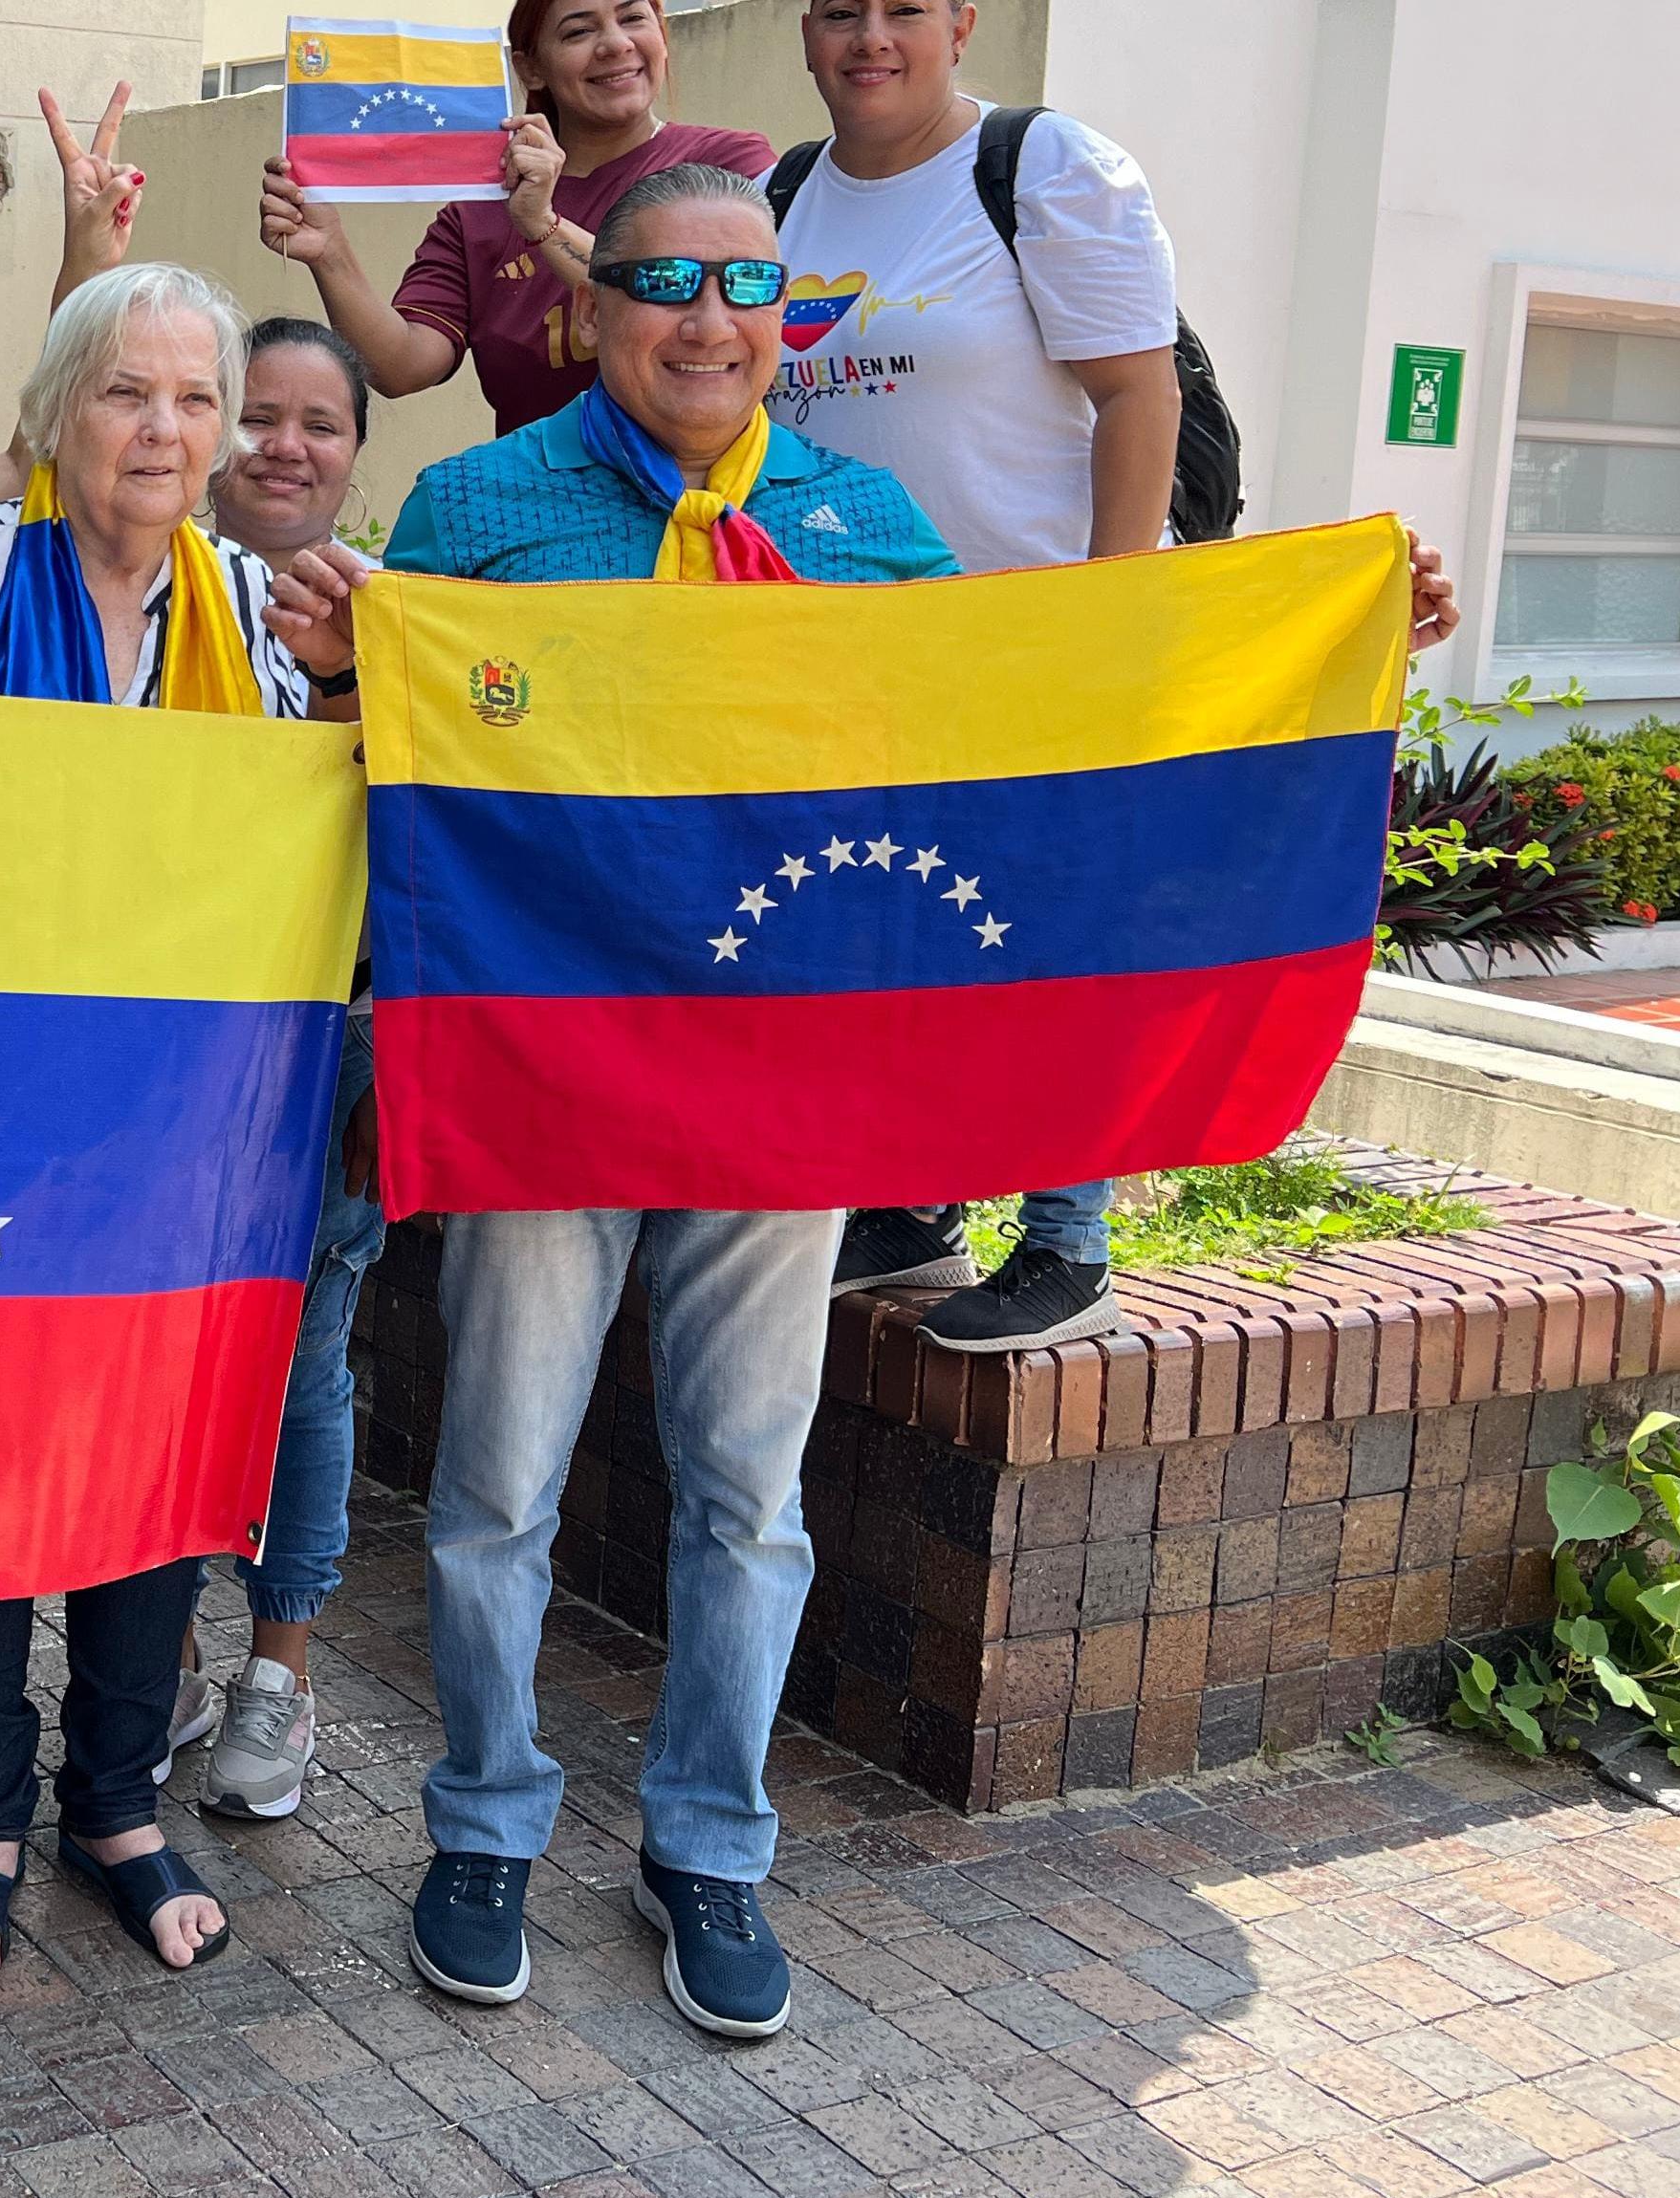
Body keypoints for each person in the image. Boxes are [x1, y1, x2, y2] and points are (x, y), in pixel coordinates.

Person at [384, 164, 960, 2043]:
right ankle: (482, 1824)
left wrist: (1356, 641)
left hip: (772, 1086)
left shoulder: (866, 528)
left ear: (788, 316)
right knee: (493, 1485)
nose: (709, 321)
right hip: (547, 1072)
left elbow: (1013, 733)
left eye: (747, 286)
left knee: (746, 1497)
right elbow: (397, 763)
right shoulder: (476, 508)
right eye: (665, 284)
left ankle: (709, 1845)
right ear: (589, 307)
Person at [0, 261, 365, 1985]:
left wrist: (360, 687)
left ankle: (113, 1803)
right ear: (54, 415)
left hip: (189, 1131)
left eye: (191, 399)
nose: (161, 429)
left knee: (155, 1469)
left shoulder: (255, 599)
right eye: (123, 393)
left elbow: (332, 841)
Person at [771, 0, 1165, 1353]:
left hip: (1027, 638)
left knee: (1039, 941)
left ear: (959, 24)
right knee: (896, 925)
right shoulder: (784, 195)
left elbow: (1138, 391)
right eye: (838, 13)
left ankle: (1069, 1235)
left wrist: (1102, 618)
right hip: (857, 656)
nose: (869, 38)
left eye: (901, 11)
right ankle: (913, 1199)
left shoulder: (1039, 166)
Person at [181, 316, 390, 1825]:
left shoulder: (404, 618)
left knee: (303, 1369)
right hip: (167, 1055)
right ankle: (160, 1661)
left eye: (320, 422)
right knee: (155, 1358)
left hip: (331, 1053)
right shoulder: (149, 586)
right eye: (255, 413)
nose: (283, 444)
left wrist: (341, 685)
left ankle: (280, 1675)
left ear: (357, 457)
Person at [253, 0, 771, 432]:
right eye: (580, 30)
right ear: (531, 69)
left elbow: (701, 305)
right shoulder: (476, 208)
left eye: (633, 17)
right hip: (542, 508)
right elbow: (402, 367)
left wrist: (542, 225)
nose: (615, 44)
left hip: (709, 494)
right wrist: (329, 251)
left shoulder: (730, 167)